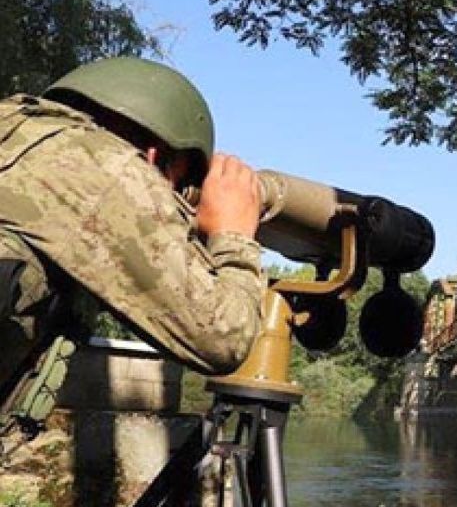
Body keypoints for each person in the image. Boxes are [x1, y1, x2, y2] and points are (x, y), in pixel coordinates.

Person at [0, 57, 265, 440]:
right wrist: (234, 234)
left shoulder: (14, 127)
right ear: (155, 158)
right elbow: (222, 338)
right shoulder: (109, 168)